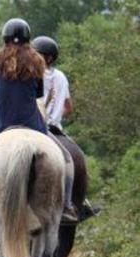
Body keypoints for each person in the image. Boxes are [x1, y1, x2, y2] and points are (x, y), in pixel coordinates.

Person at [0, 18, 79, 231]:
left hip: (0, 129)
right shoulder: (37, 63)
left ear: (5, 39)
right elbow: (37, 96)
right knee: (67, 160)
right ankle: (68, 207)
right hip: (34, 127)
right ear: (28, 39)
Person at [33, 35, 99, 220]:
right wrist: (55, 114)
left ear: (49, 58)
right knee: (78, 159)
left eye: (37, 53)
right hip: (56, 128)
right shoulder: (61, 76)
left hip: (35, 127)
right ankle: (80, 202)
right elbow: (69, 108)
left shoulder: (32, 73)